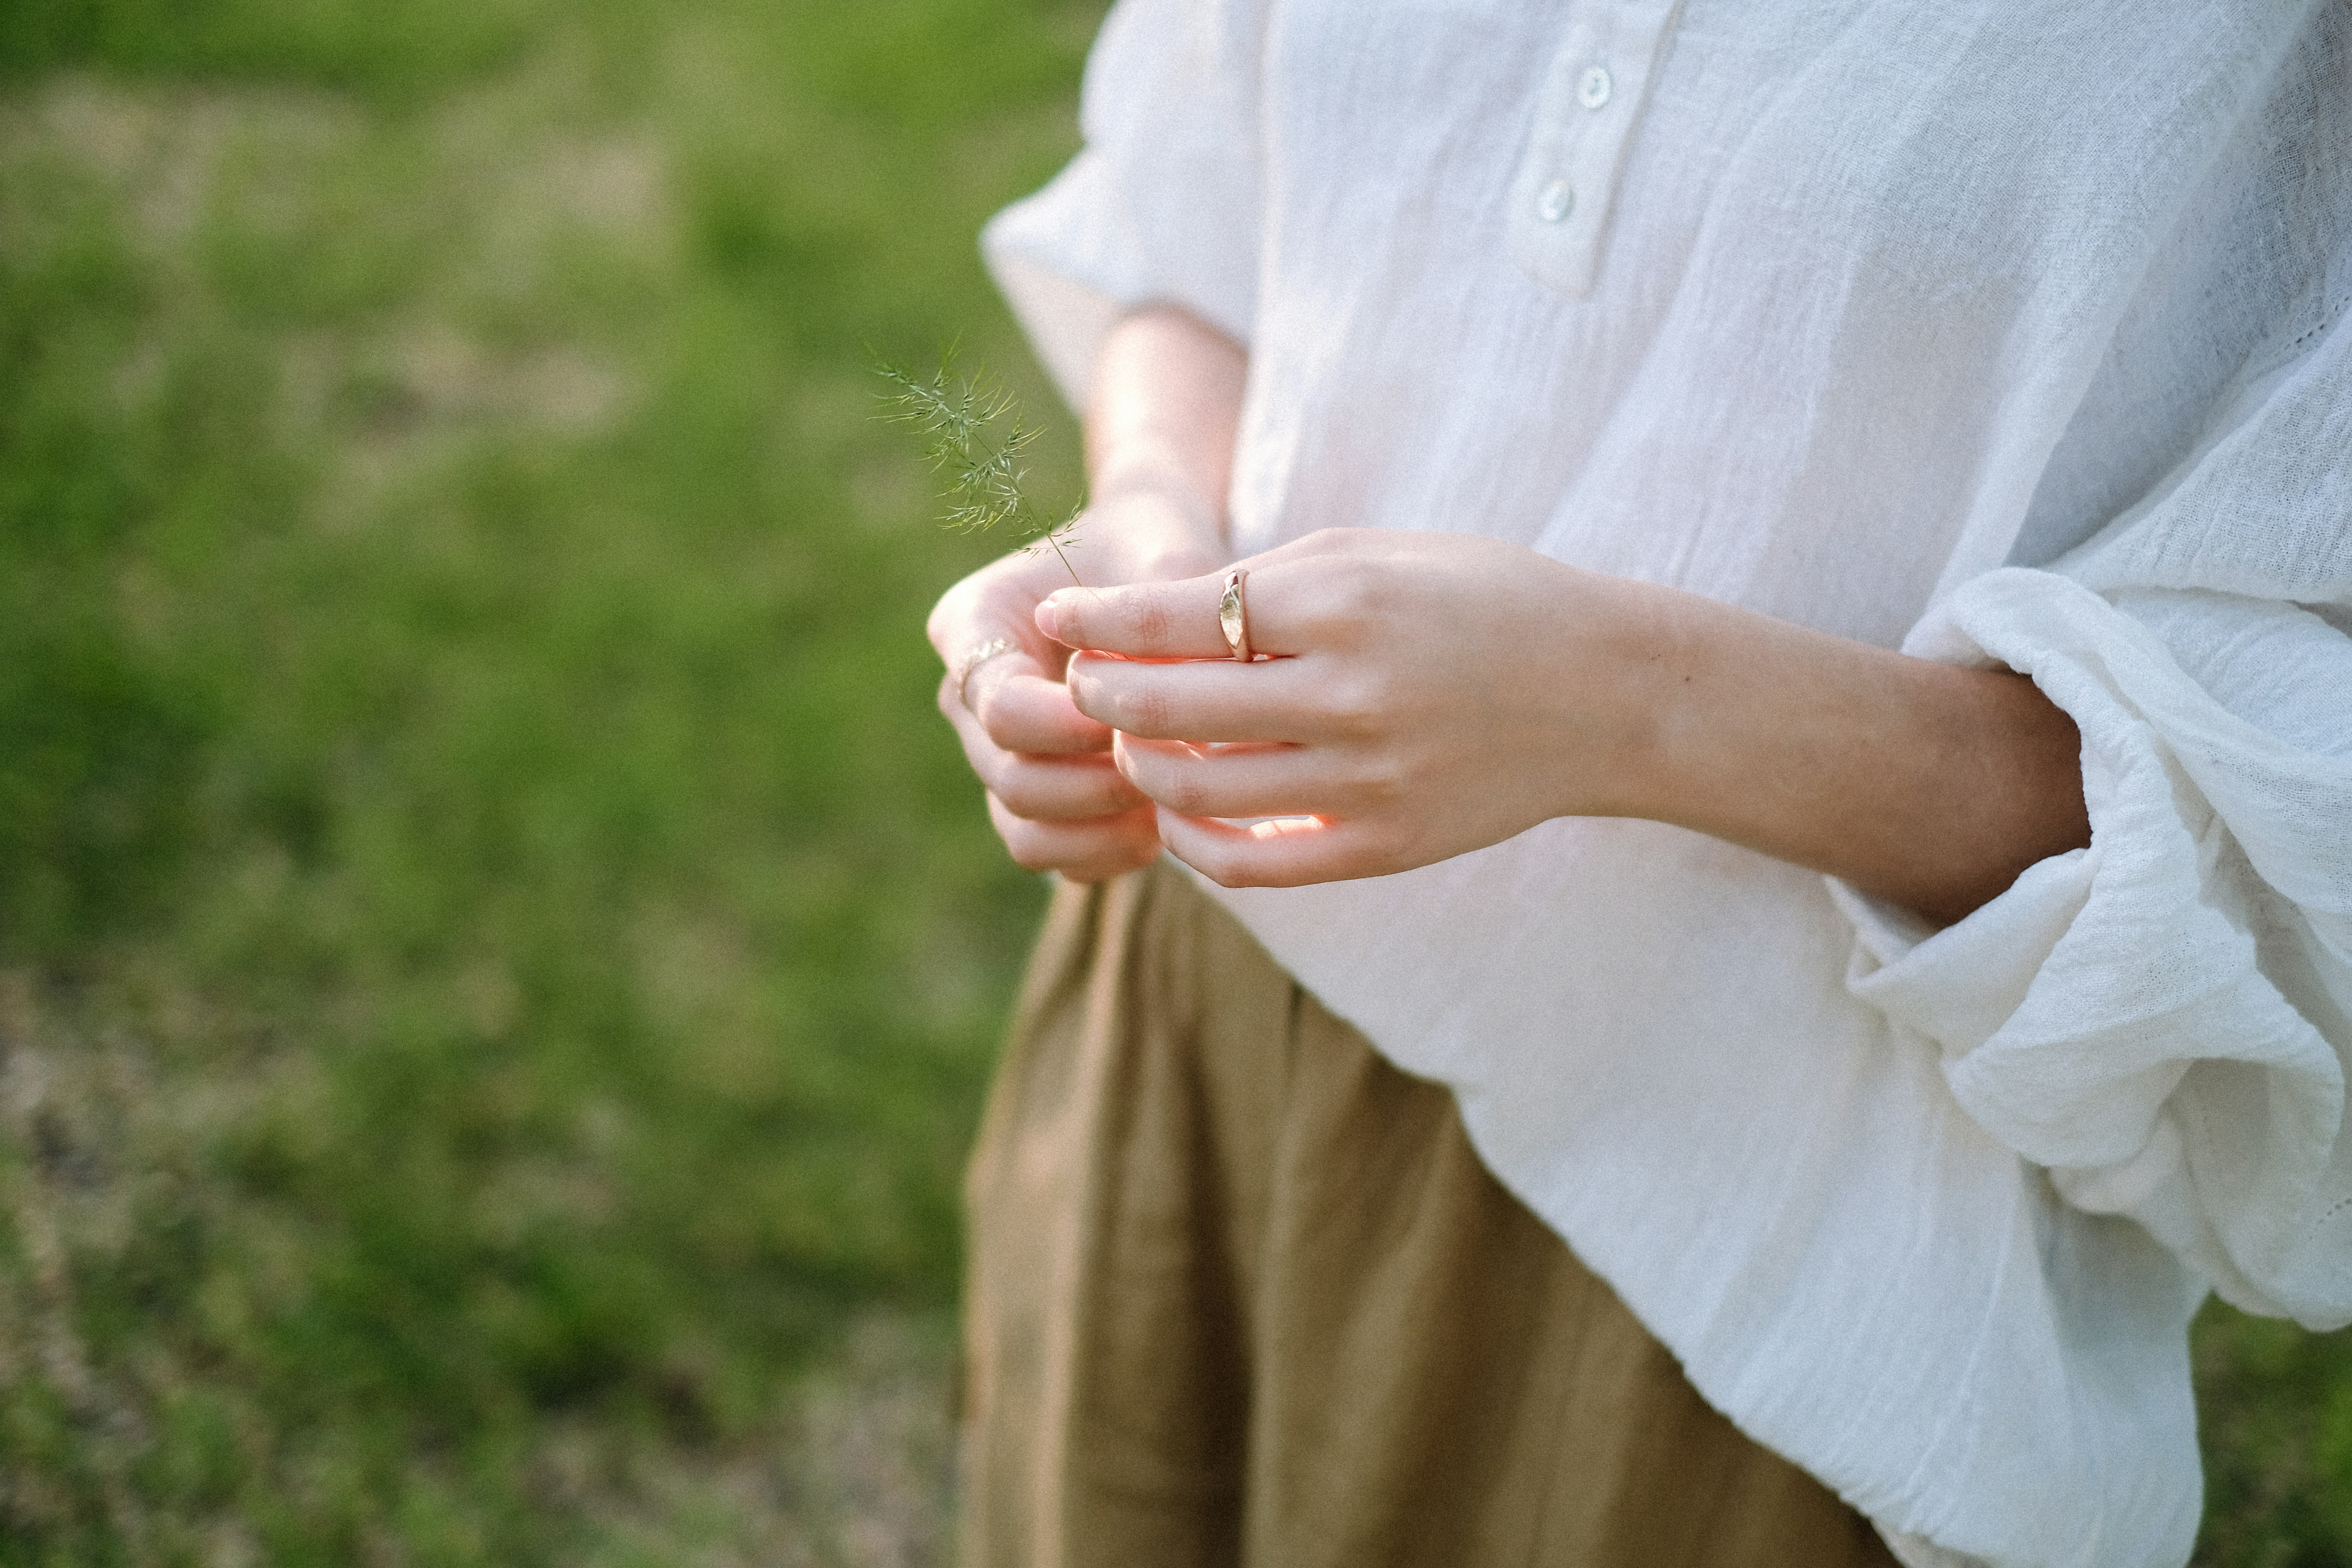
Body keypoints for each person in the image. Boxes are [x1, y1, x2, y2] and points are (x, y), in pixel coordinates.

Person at [925, 2, 2352, 1564]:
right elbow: (1205, 208)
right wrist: (1148, 530)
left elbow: (2290, 798)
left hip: (1754, 1255)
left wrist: (1623, 703)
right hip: (1211, 1000)